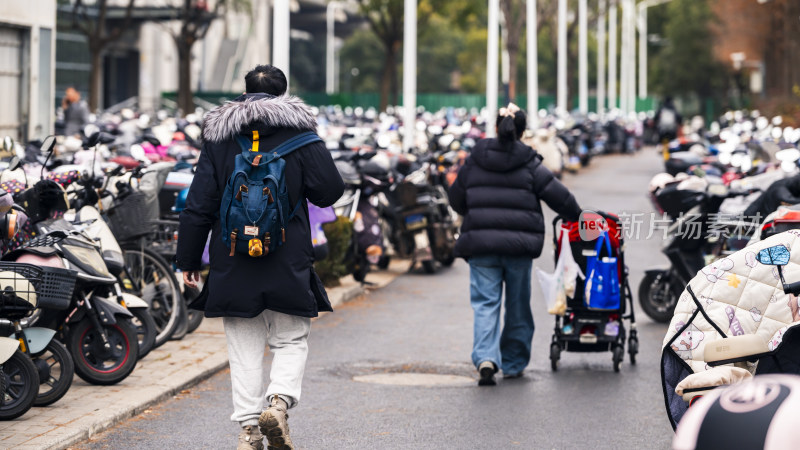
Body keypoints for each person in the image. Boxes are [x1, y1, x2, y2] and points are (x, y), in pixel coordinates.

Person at [175, 65, 345, 450]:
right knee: (290, 339)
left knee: (243, 347)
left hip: (233, 258)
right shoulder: (302, 136)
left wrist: (188, 260)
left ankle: (249, 431)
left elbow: (198, 205)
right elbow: (329, 192)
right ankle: (279, 403)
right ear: (285, 95)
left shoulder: (220, 138)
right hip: (286, 257)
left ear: (244, 92)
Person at [448, 103, 582, 386]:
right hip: (519, 248)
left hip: (481, 246)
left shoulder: (476, 159)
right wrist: (579, 219)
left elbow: (456, 199)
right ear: (521, 132)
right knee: (518, 305)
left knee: (486, 303)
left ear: (496, 128)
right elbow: (560, 197)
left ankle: (486, 357)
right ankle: (513, 362)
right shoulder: (530, 163)